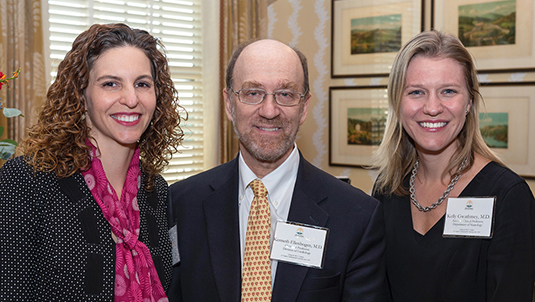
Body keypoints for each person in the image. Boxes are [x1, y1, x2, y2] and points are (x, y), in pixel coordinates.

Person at [167, 39, 386, 302]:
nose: (269, 111)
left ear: (304, 106)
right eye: (252, 93)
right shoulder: (181, 204)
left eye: (285, 94)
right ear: (229, 104)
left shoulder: (357, 217)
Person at [0, 23, 184, 301]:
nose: (131, 99)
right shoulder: (27, 181)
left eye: (142, 84)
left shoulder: (154, 189)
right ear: (81, 94)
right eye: (111, 83)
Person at [372, 30, 535, 301]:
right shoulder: (386, 190)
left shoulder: (508, 196)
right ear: (397, 103)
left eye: (448, 91)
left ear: (469, 101)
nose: (433, 107)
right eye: (416, 92)